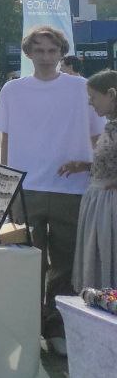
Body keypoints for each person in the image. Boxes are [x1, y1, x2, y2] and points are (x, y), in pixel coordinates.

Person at [0, 27, 106, 356]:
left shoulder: (81, 89)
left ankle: (57, 326)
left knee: (66, 263)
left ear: (61, 53)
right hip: (27, 187)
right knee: (28, 262)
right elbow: (6, 138)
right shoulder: (13, 90)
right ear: (28, 53)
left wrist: (97, 172)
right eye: (39, 50)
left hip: (71, 188)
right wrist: (5, 183)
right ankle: (27, 325)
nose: (45, 57)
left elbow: (97, 137)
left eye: (52, 50)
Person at [68, 70, 117, 292]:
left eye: (94, 97)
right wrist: (86, 166)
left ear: (111, 94)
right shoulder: (111, 125)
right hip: (101, 204)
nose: (90, 102)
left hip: (110, 207)